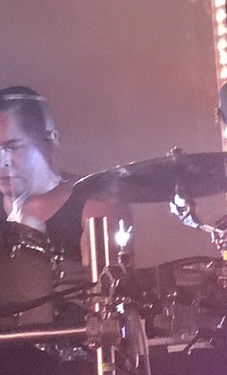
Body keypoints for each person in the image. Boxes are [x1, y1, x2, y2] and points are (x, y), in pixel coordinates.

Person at [0, 86, 132, 267]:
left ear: (50, 140)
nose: (2, 162)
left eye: (13, 147)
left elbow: (108, 283)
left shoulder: (96, 203)